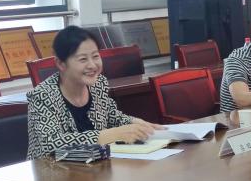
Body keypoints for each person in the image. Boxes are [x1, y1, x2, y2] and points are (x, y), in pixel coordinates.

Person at [26, 26, 156, 159]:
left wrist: (135, 123)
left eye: (95, 56)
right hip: (52, 169)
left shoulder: (98, 84)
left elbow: (111, 116)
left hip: (93, 166)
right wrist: (110, 135)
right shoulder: (41, 96)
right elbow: (50, 144)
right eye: (83, 59)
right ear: (61, 64)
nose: (92, 65)